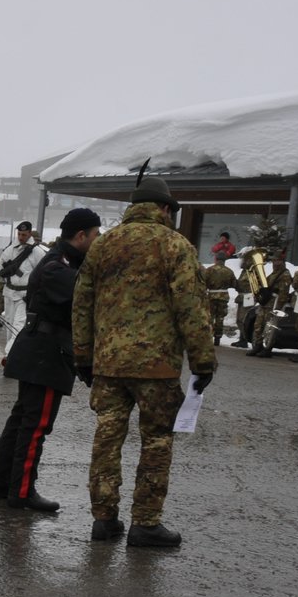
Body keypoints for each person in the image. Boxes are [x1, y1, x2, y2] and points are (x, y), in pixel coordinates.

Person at [72, 173, 216, 548]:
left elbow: (82, 303)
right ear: (165, 209)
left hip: (108, 363)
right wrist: (203, 362)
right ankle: (145, 524)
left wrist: (83, 356)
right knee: (155, 440)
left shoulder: (104, 246)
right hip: (157, 366)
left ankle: (103, 520)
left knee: (107, 437)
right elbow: (191, 308)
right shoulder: (175, 245)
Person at [0, 208, 102, 511]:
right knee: (34, 426)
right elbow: (89, 296)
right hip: (46, 353)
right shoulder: (57, 267)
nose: (97, 241)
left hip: (42, 349)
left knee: (22, 420)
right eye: (95, 235)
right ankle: (21, 492)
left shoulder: (64, 261)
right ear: (80, 236)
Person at [0, 220, 46, 336]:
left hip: (24, 295)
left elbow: (42, 274)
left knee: (18, 326)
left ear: (29, 234)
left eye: (23, 234)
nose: (20, 237)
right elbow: (0, 268)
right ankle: (9, 353)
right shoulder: (10, 250)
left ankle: (11, 352)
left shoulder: (37, 252)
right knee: (9, 325)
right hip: (9, 292)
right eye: (19, 234)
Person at [245, 246, 291, 358]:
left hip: (274, 303)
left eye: (277, 260)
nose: (275, 262)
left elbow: (284, 293)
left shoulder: (285, 274)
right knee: (258, 324)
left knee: (270, 327)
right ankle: (258, 345)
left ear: (282, 261)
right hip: (266, 302)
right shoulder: (274, 273)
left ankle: (267, 348)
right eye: (274, 260)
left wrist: (278, 308)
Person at [201, 251, 237, 346]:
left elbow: (203, 283)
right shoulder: (229, 271)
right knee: (220, 318)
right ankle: (218, 338)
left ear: (216, 259)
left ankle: (208, 337)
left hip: (211, 296)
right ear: (225, 260)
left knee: (210, 317)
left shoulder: (209, 270)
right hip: (223, 296)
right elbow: (234, 284)